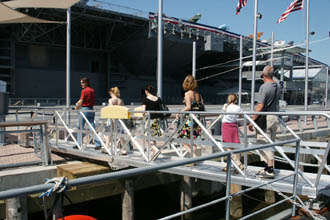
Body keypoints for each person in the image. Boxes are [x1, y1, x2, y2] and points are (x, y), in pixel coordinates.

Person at [248, 66, 281, 178]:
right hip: (275, 117)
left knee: (263, 142)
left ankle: (270, 169)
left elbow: (260, 105)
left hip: (266, 118)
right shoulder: (278, 85)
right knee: (270, 142)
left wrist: (252, 120)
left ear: (264, 75)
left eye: (262, 76)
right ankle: (268, 167)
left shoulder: (264, 87)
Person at [178, 75, 203, 158]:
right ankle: (193, 159)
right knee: (193, 140)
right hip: (197, 118)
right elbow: (201, 105)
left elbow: (188, 107)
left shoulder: (187, 94)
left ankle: (194, 157)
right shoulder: (198, 94)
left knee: (181, 139)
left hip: (189, 119)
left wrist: (180, 112)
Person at [75, 77, 101, 150]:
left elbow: (82, 101)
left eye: (83, 82)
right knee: (92, 126)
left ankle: (79, 144)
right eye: (81, 83)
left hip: (84, 109)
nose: (81, 84)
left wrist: (77, 107)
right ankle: (98, 144)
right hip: (91, 109)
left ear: (87, 82)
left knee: (80, 127)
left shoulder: (84, 91)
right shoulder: (92, 90)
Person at [222, 94, 244, 171]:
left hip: (225, 125)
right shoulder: (238, 107)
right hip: (234, 125)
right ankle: (234, 165)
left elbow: (223, 114)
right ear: (236, 100)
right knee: (236, 144)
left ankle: (237, 164)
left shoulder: (225, 106)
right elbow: (240, 116)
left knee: (227, 146)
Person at [104, 87, 126, 155]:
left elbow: (111, 110)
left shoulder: (110, 100)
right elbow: (123, 109)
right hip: (119, 119)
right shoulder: (120, 100)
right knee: (120, 135)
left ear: (111, 93)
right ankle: (124, 149)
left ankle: (107, 148)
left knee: (108, 134)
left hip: (112, 118)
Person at [141, 85, 162, 158]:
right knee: (153, 136)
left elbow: (143, 111)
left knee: (147, 137)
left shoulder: (145, 100)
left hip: (150, 120)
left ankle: (155, 150)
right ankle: (154, 154)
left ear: (146, 91)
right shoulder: (158, 99)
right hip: (157, 120)